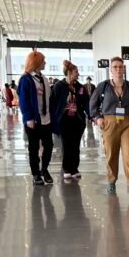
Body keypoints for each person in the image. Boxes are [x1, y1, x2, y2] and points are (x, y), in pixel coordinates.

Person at [89, 57, 129, 195]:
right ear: (111, 70)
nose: (118, 69)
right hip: (109, 122)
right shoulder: (103, 86)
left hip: (127, 122)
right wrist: (98, 118)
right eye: (115, 67)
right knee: (111, 154)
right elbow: (93, 104)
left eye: (120, 66)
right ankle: (111, 181)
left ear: (124, 69)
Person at [18, 50, 53, 185]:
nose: (45, 63)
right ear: (37, 62)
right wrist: (28, 117)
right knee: (33, 148)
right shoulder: (26, 79)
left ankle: (44, 169)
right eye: (43, 61)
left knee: (49, 145)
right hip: (33, 120)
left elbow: (49, 99)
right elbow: (23, 100)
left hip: (46, 119)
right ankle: (36, 173)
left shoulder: (45, 80)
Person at [50, 60, 88, 179]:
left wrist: (92, 116)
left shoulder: (80, 87)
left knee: (76, 145)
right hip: (64, 120)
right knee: (66, 145)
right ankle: (66, 168)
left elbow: (86, 103)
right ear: (69, 73)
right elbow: (53, 103)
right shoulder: (59, 86)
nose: (78, 74)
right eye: (76, 71)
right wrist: (53, 119)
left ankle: (74, 168)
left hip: (77, 120)